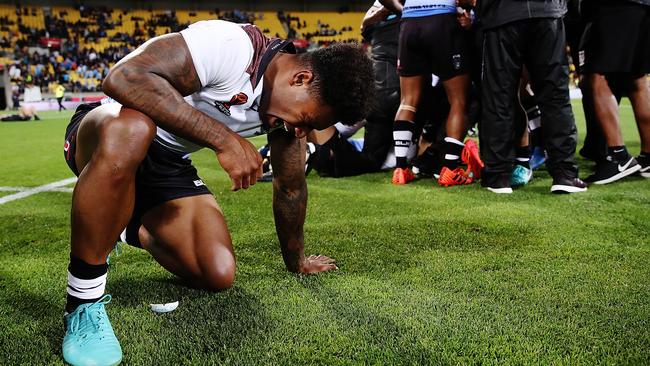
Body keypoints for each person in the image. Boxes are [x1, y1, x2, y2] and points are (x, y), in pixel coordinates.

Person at [61, 20, 373, 366]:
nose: (300, 131)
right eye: (305, 120)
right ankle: (83, 303)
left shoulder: (285, 117)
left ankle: (121, 224)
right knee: (133, 128)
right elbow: (124, 78)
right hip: (107, 131)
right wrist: (224, 139)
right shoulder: (232, 46)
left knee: (217, 272)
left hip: (166, 161)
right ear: (300, 79)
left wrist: (296, 262)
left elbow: (290, 187)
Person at [473, 0, 587, 194]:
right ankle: (564, 174)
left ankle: (498, 176)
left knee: (498, 97)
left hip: (502, 16)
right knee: (555, 96)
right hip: (546, 13)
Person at [379, 0, 478, 186]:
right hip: (442, 19)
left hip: (409, 22)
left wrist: (404, 9)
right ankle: (450, 169)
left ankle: (401, 169)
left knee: (407, 100)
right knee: (459, 100)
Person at [580, 0, 650, 183]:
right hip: (643, 8)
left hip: (616, 7)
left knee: (597, 74)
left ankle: (619, 157)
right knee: (638, 79)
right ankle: (649, 157)